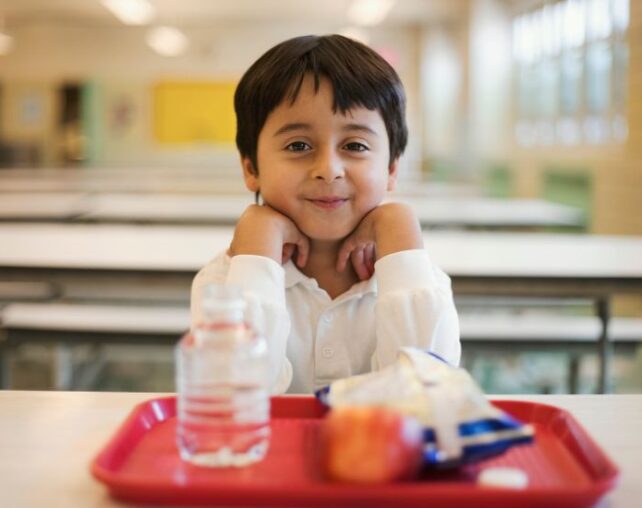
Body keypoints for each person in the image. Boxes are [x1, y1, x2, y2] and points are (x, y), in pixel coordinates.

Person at [191, 34, 460, 394]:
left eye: (355, 145)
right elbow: (233, 401)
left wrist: (401, 228)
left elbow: (428, 394)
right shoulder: (224, 281)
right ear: (251, 167)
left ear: (392, 168)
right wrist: (257, 247)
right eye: (298, 145)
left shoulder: (418, 278)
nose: (328, 169)